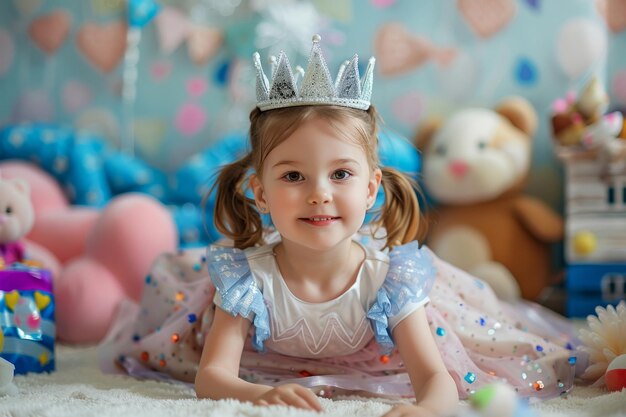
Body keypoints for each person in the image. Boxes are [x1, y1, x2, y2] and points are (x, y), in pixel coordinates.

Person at [104, 35, 577, 417]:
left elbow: (435, 379)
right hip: (268, 365)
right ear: (261, 192)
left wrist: (427, 410)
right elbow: (213, 377)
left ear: (371, 190)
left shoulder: (389, 279)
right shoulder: (247, 279)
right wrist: (257, 396)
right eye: (293, 176)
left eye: (341, 174)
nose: (319, 194)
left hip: (376, 360)